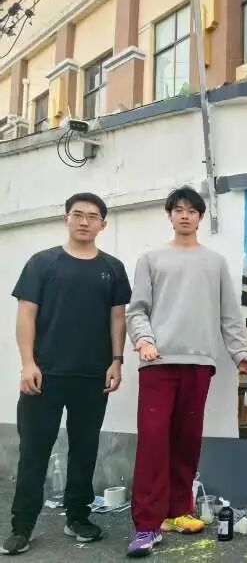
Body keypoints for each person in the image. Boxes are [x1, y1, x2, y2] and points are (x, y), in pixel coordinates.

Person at [125, 186, 247, 558]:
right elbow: (137, 309)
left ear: (199, 217)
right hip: (158, 361)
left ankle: (178, 511)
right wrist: (144, 340)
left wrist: (239, 353)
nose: (185, 215)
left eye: (191, 210)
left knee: (187, 439)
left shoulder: (214, 262)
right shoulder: (151, 258)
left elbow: (229, 314)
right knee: (153, 441)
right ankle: (146, 526)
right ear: (170, 215)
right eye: (178, 209)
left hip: (199, 362)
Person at [1, 193, 131, 556]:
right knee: (33, 451)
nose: (84, 221)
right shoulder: (43, 263)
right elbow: (26, 314)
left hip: (92, 376)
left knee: (84, 449)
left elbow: (117, 317)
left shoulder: (112, 268)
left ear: (103, 224)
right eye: (78, 214)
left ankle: (78, 517)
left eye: (92, 216)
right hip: (44, 374)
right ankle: (22, 527)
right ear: (66, 219)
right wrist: (28, 363)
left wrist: (117, 361)